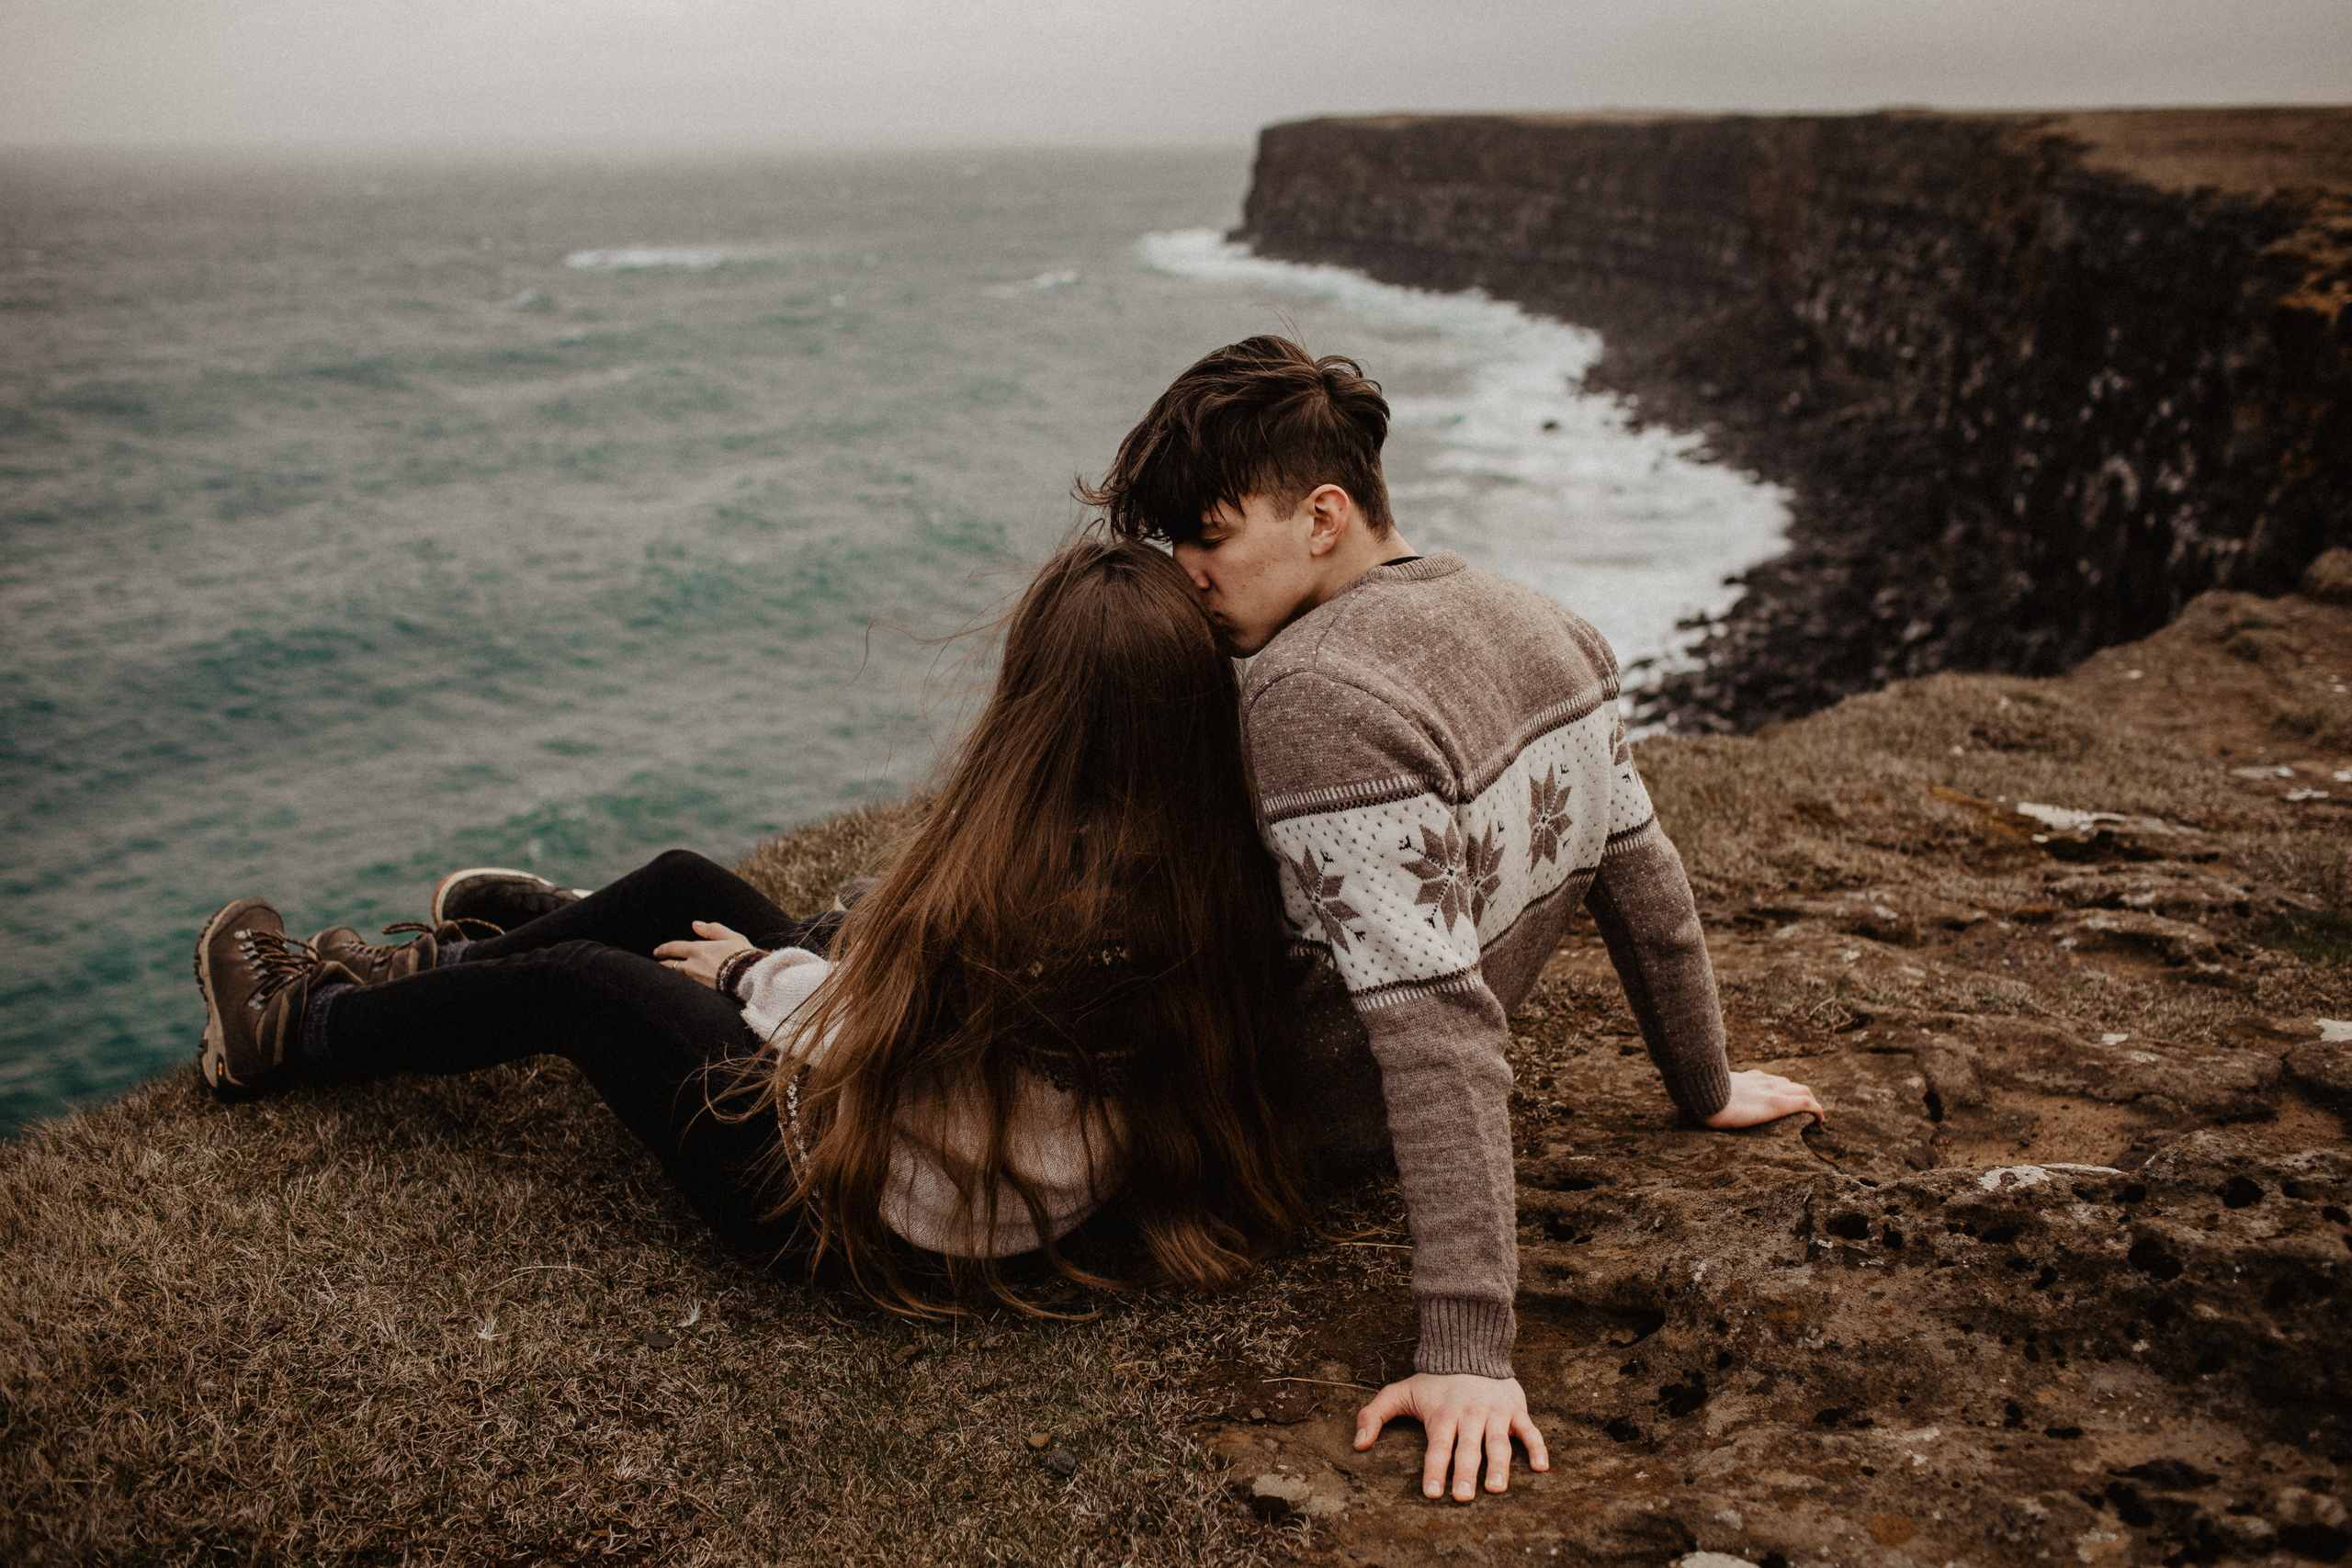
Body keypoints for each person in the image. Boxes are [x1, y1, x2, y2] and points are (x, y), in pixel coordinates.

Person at [1080, 335, 1825, 1504]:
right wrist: (1705, 1083)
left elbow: (1438, 1031)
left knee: (900, 974)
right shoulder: (1546, 624)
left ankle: (791, 972)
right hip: (1305, 1078)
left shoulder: (1310, 693)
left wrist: (1467, 1354)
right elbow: (1644, 879)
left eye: (1211, 535)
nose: (1185, 574)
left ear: (1322, 515)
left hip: (1258, 1122)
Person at [189, 537, 1310, 1308]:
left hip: (855, 1208)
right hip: (996, 1177)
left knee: (577, 983)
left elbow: (861, 1034)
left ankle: (298, 1029)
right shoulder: (1204, 858)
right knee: (686, 876)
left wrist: (745, 977)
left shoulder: (1023, 890)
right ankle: (425, 977)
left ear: (1039, 700)